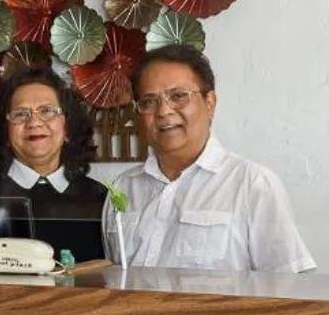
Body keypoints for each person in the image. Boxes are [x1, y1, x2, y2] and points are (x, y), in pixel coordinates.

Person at [103, 44, 314, 273]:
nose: (164, 111)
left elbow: (288, 286)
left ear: (210, 103)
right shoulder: (123, 186)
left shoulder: (252, 185)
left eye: (178, 96)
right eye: (149, 102)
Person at [0, 67, 110, 225]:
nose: (34, 123)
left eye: (47, 111)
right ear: (4, 129)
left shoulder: (96, 196)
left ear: (68, 125)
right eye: (21, 114)